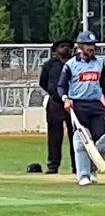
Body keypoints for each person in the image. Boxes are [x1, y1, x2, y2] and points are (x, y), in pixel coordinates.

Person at [56, 31, 105, 187]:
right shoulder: (70, 65)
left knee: (103, 139)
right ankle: (83, 175)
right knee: (82, 139)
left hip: (96, 104)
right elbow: (61, 86)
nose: (91, 48)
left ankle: (93, 169)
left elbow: (103, 84)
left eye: (93, 45)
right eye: (88, 45)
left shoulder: (99, 63)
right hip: (78, 105)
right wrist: (65, 99)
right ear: (80, 46)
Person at [39, 38, 76, 175]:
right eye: (62, 46)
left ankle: (77, 166)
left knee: (76, 136)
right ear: (56, 50)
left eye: (68, 46)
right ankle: (53, 165)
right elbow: (43, 82)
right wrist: (54, 93)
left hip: (73, 103)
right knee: (54, 136)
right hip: (55, 103)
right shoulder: (49, 65)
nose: (65, 48)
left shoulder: (76, 63)